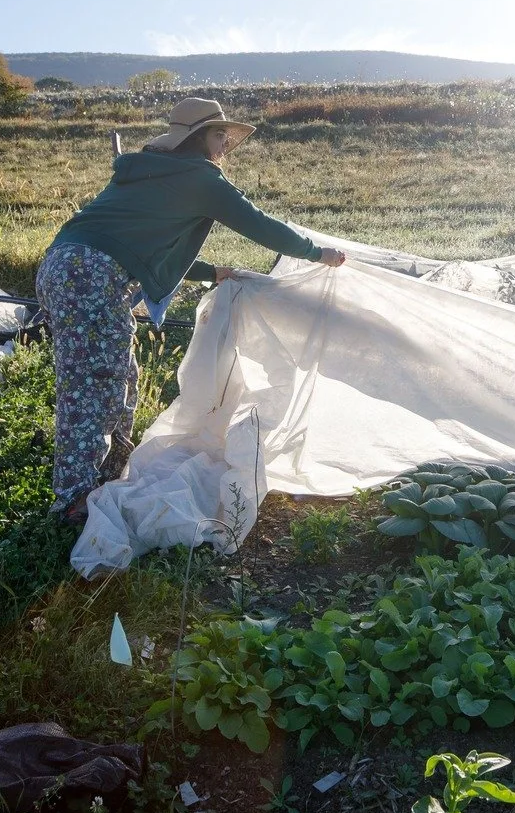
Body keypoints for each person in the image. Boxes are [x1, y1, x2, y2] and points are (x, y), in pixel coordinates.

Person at [37, 96, 345, 522]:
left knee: (117, 377)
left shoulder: (147, 171)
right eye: (220, 135)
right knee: (92, 387)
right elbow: (258, 224)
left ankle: (105, 477)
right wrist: (317, 252)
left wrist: (209, 271)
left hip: (63, 265)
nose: (225, 145)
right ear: (200, 138)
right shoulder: (200, 179)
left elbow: (137, 243)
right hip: (91, 277)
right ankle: (72, 501)